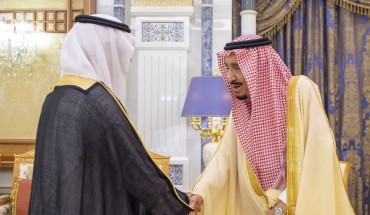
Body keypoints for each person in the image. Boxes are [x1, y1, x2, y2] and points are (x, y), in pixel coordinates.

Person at [29, 14, 193, 215]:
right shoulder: (96, 100)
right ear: (108, 53)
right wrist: (181, 202)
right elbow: (136, 167)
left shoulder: (54, 97)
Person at [188, 34, 354, 215]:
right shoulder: (241, 111)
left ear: (259, 68)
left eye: (237, 67)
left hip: (298, 205)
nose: (229, 77)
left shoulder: (299, 92)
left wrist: (283, 205)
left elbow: (318, 156)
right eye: (227, 68)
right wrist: (201, 193)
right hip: (253, 207)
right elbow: (223, 160)